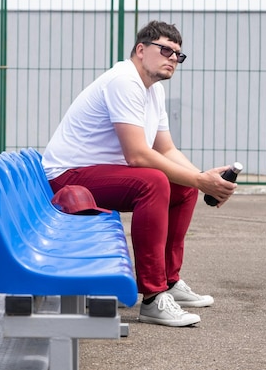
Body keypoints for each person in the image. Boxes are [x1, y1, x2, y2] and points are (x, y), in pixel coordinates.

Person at [42, 20, 237, 327]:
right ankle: (152, 295)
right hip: (67, 178)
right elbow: (138, 156)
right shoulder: (124, 80)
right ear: (141, 50)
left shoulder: (153, 90)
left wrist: (202, 180)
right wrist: (201, 180)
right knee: (155, 181)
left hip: (97, 176)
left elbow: (167, 149)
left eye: (178, 55)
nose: (173, 58)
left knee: (181, 186)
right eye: (166, 50)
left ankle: (169, 281)